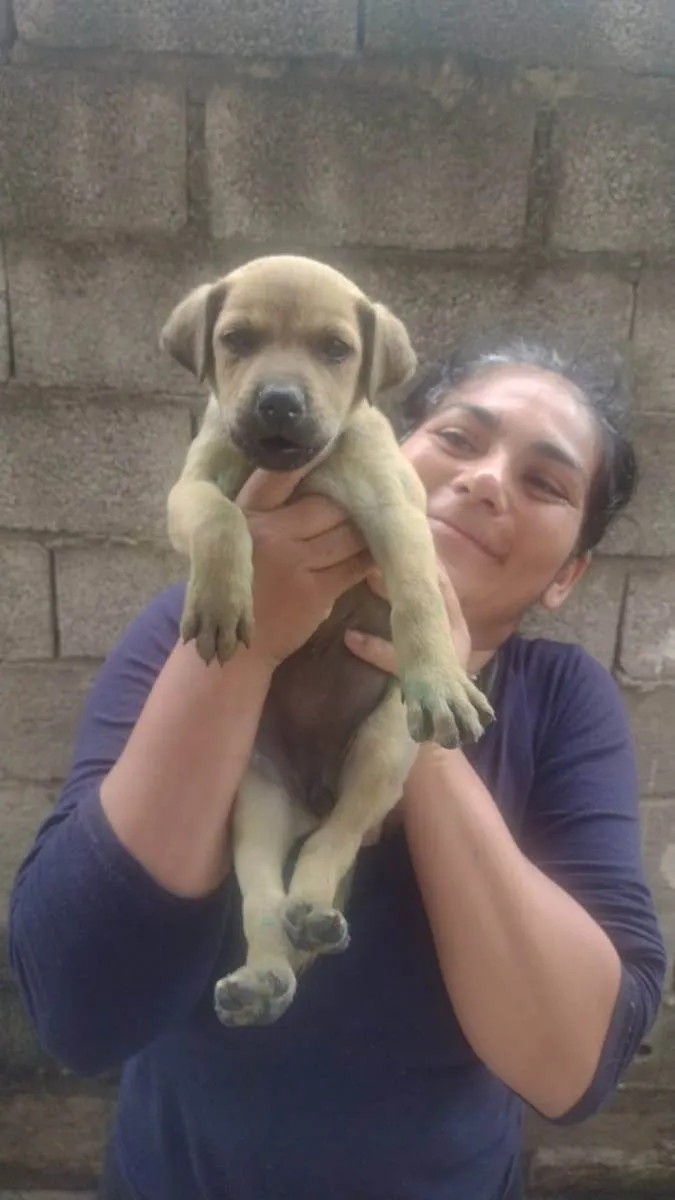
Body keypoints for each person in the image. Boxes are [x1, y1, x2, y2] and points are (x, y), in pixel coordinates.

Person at [8, 336, 667, 1200]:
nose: (485, 481)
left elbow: (571, 1064)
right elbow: (79, 1009)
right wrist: (248, 646)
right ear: (383, 450)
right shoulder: (191, 622)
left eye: (543, 482)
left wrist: (419, 700)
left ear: (566, 577)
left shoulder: (559, 701)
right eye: (460, 439)